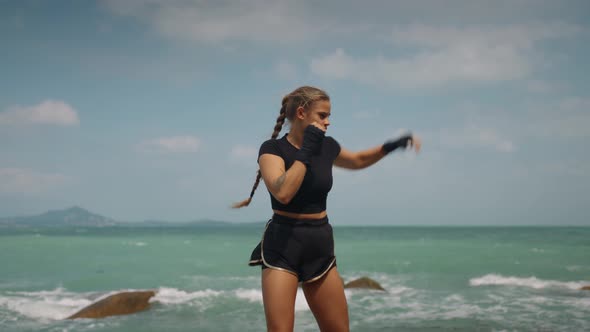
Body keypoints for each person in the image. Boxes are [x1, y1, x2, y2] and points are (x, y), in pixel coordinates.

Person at [233, 86, 421, 332]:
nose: (328, 122)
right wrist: (307, 149)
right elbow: (283, 192)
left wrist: (392, 145)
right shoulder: (272, 150)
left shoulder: (327, 146)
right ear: (302, 113)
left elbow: (358, 160)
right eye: (322, 115)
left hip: (319, 243)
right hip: (283, 245)